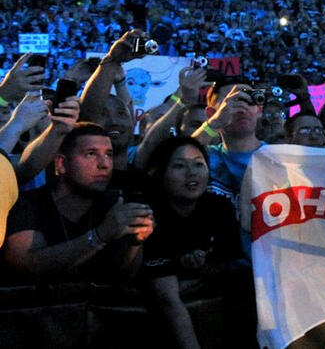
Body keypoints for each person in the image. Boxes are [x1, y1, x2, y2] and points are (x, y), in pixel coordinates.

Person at [2, 123, 155, 282]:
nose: (104, 164)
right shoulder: (27, 205)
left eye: (109, 154)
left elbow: (120, 277)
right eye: (90, 154)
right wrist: (99, 236)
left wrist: (134, 244)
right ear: (61, 164)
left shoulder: (114, 204)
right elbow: (27, 266)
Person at [139, 136, 243, 349]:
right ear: (160, 173)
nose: (192, 173)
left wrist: (204, 265)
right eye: (179, 166)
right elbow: (165, 295)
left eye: (198, 164)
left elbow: (228, 259)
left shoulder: (219, 207)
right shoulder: (147, 213)